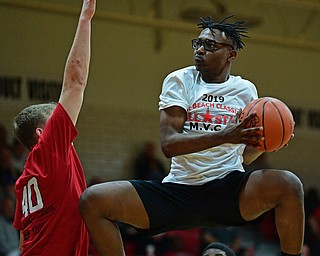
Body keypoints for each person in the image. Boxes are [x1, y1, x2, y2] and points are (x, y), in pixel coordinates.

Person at [79, 15, 304, 256]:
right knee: (93, 200)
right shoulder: (180, 80)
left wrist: (268, 142)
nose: (200, 49)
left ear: (231, 54)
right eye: (197, 43)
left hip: (227, 190)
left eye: (210, 45)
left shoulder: (246, 90)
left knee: (289, 184)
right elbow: (169, 144)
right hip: (179, 190)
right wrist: (225, 135)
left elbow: (244, 156)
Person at [12, 0, 96, 255]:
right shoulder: (48, 150)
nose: (65, 119)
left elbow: (23, 238)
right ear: (42, 133)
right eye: (54, 117)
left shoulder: (24, 182)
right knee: (103, 199)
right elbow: (75, 82)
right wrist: (86, 18)